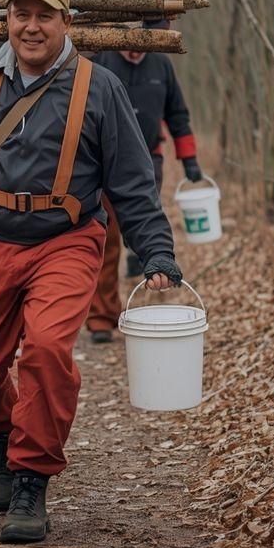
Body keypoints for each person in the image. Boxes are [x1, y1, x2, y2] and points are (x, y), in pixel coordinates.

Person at [0, 0, 181, 544]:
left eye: (44, 15)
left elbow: (132, 180)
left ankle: (31, 478)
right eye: (20, 14)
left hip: (66, 239)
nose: (31, 27)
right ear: (6, 21)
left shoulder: (100, 87)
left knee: (48, 348)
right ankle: (7, 431)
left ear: (66, 22)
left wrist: (156, 250)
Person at [86, 36, 201, 343]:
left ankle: (138, 256)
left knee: (141, 224)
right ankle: (101, 318)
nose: (136, 49)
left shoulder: (161, 65)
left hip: (150, 160)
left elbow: (177, 114)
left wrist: (189, 158)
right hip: (104, 163)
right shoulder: (102, 59)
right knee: (106, 239)